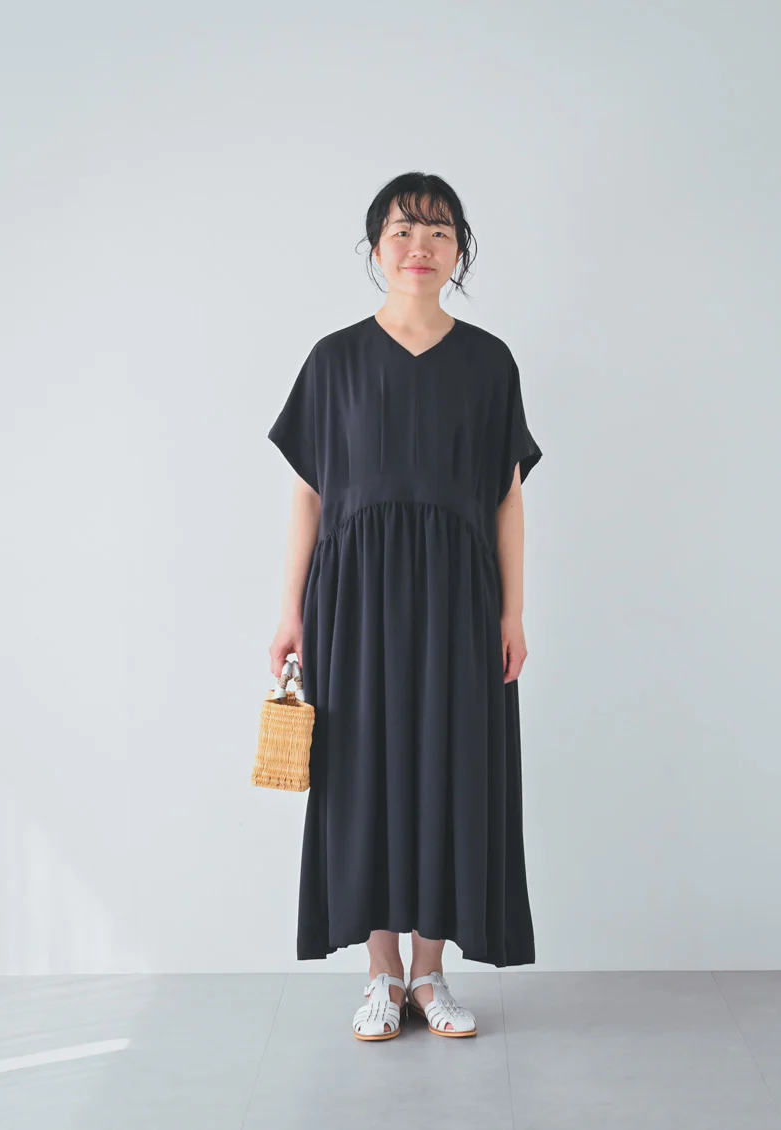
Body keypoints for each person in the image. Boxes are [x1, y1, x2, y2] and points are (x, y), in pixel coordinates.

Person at [267, 172, 542, 1041]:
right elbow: (310, 495)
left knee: (450, 769)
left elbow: (507, 498)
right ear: (375, 246)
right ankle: (381, 975)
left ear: (459, 250)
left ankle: (431, 974)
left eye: (438, 232)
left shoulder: (490, 362)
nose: (419, 247)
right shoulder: (334, 360)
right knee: (362, 775)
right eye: (402, 231)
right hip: (352, 600)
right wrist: (289, 612)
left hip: (460, 598)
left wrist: (512, 613)